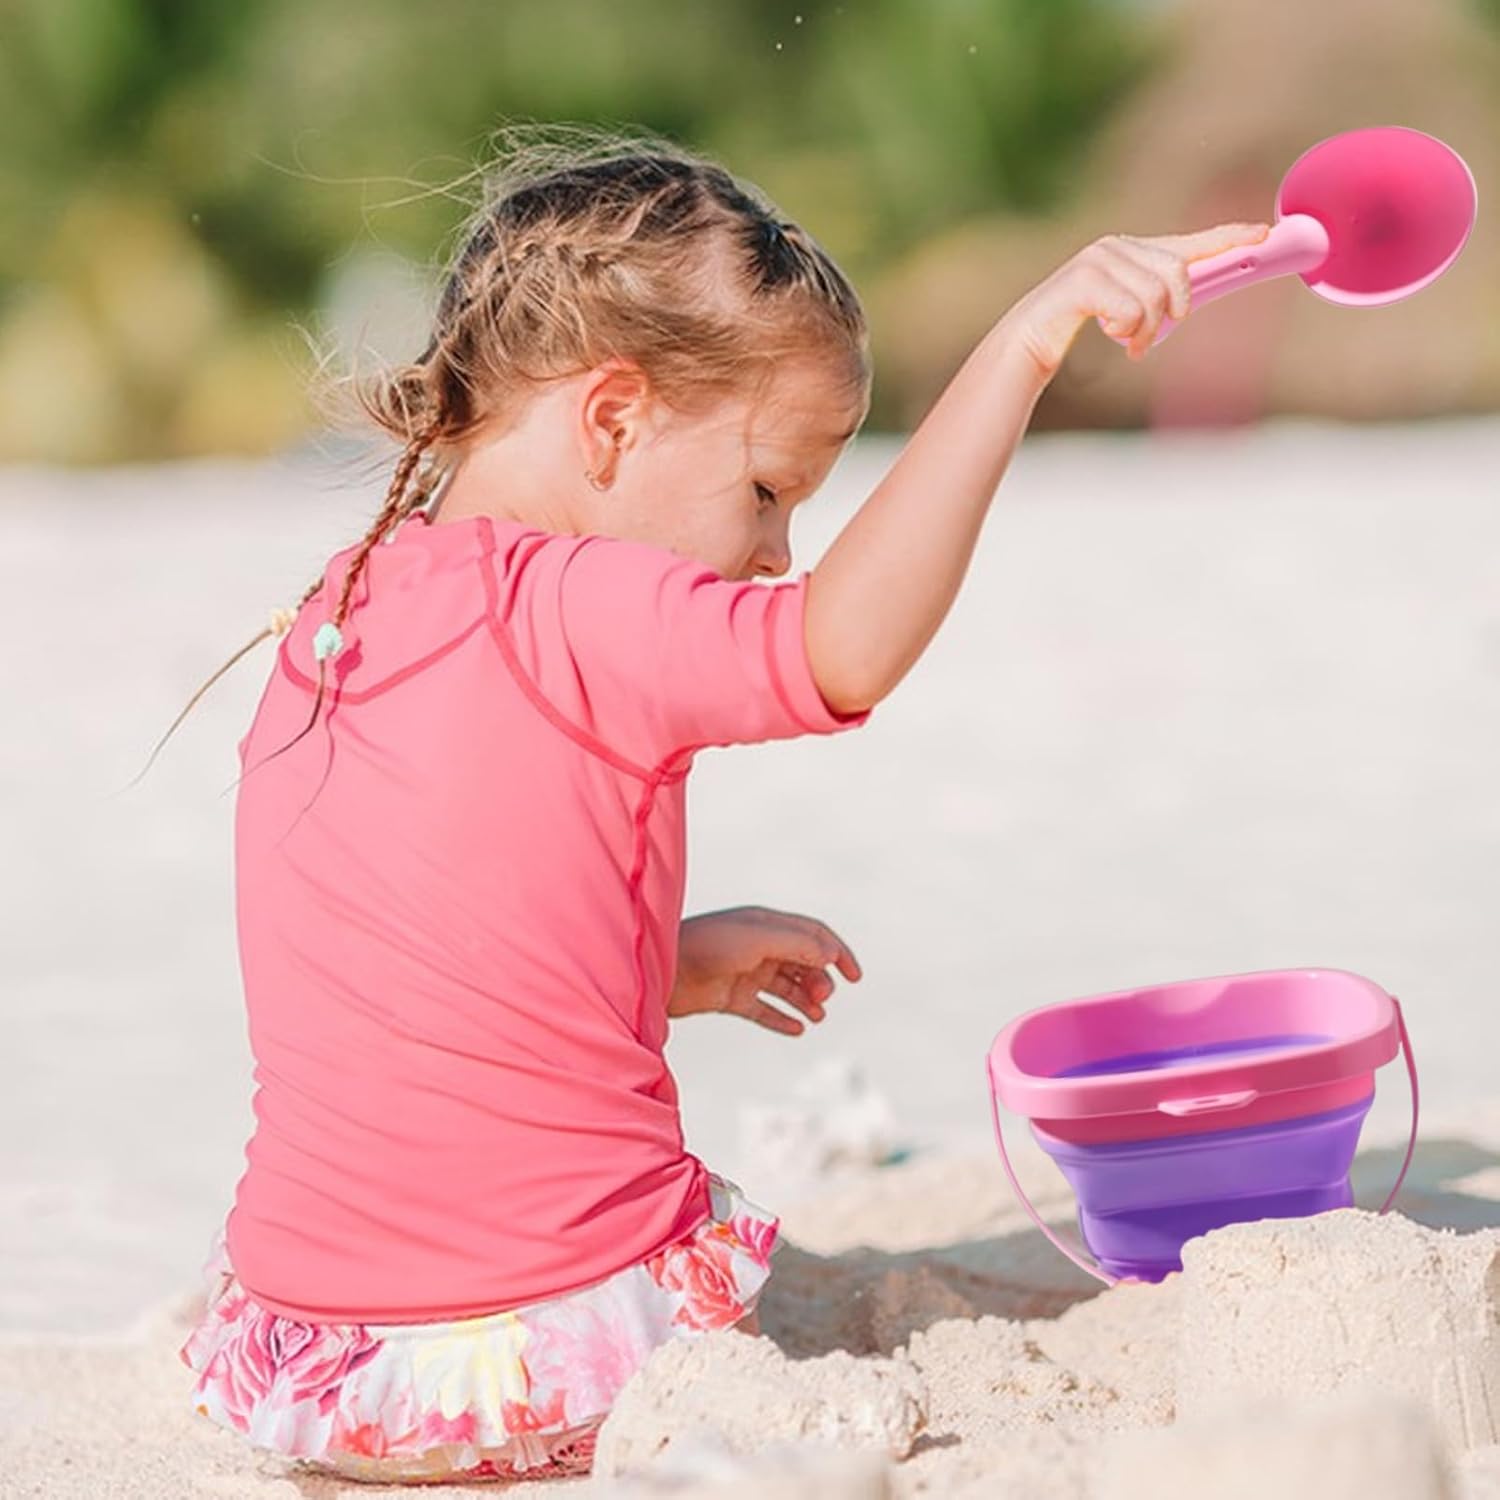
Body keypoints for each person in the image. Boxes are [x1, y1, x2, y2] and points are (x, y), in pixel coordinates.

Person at [169, 124, 1267, 1483]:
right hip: (553, 1340)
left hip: (316, 1357)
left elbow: (395, 962)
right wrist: (1022, 349)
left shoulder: (341, 607)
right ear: (612, 419)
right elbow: (838, 649)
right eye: (766, 491)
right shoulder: (570, 599)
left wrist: (664, 962)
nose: (774, 551)